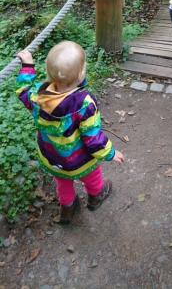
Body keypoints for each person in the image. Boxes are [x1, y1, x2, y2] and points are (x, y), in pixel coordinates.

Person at [16, 41, 124, 224]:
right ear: (81, 74)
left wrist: (27, 66)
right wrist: (111, 153)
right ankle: (96, 196)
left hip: (53, 157)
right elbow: (93, 138)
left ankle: (67, 209)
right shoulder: (84, 103)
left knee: (62, 182)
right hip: (80, 159)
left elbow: (23, 90)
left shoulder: (38, 98)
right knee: (92, 176)